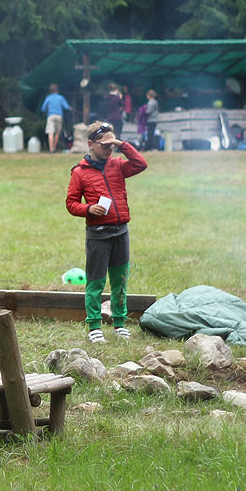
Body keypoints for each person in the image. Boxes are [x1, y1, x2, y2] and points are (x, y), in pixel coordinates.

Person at [65, 121, 147, 344]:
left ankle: (119, 323)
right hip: (98, 234)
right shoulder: (80, 172)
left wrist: (122, 144)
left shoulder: (118, 165)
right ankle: (94, 326)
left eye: (112, 144)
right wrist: (88, 209)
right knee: (96, 282)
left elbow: (140, 164)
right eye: (104, 144)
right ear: (91, 144)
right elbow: (71, 203)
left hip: (120, 232)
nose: (109, 148)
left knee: (120, 280)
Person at [39, 84, 71, 154]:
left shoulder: (48, 98)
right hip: (59, 116)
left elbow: (43, 108)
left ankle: (51, 149)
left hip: (50, 116)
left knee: (50, 133)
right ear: (57, 90)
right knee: (57, 133)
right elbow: (66, 107)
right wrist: (70, 108)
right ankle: (54, 148)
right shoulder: (60, 98)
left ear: (50, 90)